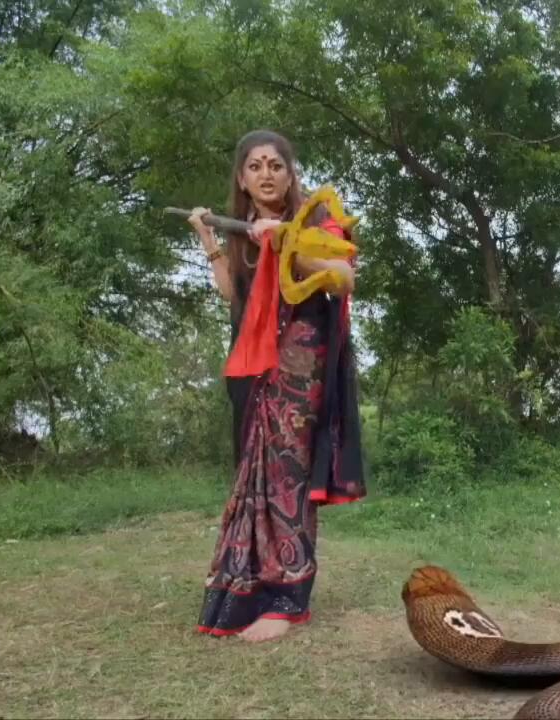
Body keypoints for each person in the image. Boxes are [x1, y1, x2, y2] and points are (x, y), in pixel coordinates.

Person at [184, 129, 366, 643]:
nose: (266, 174)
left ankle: (289, 597)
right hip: (254, 364)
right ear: (242, 178)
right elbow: (234, 294)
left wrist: (286, 242)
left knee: (289, 473)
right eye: (255, 166)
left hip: (301, 361)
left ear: (290, 174)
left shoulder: (314, 217)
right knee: (255, 475)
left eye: (275, 165)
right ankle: (250, 589)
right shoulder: (244, 227)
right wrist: (209, 240)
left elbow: (343, 275)